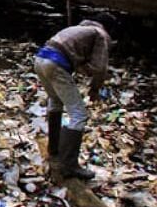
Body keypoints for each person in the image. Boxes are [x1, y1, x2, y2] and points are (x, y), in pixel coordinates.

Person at [33, 13, 116, 181]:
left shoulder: (80, 28)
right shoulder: (100, 35)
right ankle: (69, 165)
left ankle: (54, 149)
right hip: (55, 63)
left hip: (40, 59)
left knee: (55, 101)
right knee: (79, 115)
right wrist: (94, 89)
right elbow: (100, 68)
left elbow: (76, 59)